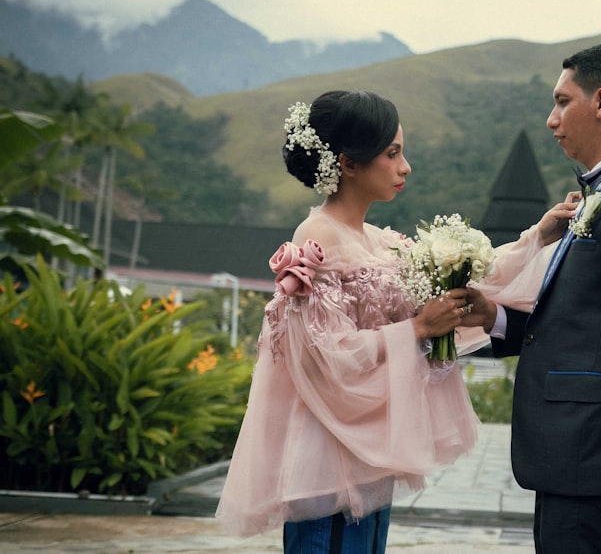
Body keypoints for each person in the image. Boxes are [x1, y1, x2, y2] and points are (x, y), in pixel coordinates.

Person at [215, 90, 574, 553]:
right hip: (327, 445)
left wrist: (538, 236)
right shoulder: (317, 236)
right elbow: (322, 354)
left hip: (369, 442)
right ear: (347, 163)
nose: (405, 167)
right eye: (392, 153)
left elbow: (459, 281)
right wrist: (417, 330)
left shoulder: (379, 241)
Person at [462, 43, 601, 553]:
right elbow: (581, 322)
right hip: (574, 449)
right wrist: (495, 317)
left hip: (594, 441)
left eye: (562, 102)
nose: (551, 120)